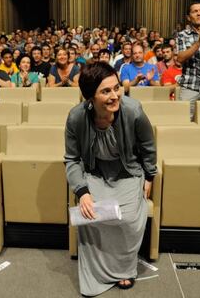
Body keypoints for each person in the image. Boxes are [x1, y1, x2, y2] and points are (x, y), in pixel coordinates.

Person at [64, 62, 156, 297]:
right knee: (91, 214)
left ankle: (125, 268)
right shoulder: (75, 118)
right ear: (90, 97)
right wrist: (82, 191)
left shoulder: (133, 110)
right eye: (106, 91)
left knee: (126, 218)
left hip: (127, 171)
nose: (115, 96)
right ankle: (99, 273)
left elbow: (148, 146)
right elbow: (72, 160)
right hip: (95, 171)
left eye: (117, 88)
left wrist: (149, 176)